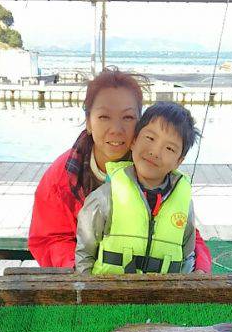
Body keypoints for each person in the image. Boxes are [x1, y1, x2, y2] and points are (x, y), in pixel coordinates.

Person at [28, 68, 211, 272]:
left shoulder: (153, 168)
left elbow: (183, 229)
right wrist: (80, 271)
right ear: (88, 122)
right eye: (104, 116)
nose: (116, 129)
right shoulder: (62, 177)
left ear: (140, 123)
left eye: (128, 117)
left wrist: (200, 269)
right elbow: (49, 238)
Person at [75, 101, 201, 275]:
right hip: (109, 291)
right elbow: (84, 253)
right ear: (134, 141)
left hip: (164, 292)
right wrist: (88, 287)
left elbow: (187, 256)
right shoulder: (105, 197)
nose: (155, 152)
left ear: (179, 161)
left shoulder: (184, 204)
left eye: (169, 148)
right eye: (150, 138)